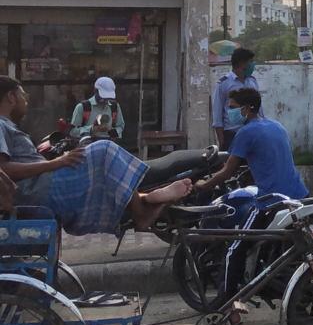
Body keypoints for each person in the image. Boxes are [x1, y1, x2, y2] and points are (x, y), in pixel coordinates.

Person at [0, 76, 191, 235]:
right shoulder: (1, 124)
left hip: (44, 185)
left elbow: (120, 127)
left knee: (106, 168)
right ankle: (141, 211)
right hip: (40, 191)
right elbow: (4, 168)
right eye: (23, 95)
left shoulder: (114, 107)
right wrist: (57, 163)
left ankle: (143, 199)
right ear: (11, 97)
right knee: (104, 151)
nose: (26, 100)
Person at [196, 88, 307, 199]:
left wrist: (204, 185)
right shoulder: (277, 125)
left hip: (274, 199)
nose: (229, 112)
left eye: (232, 108)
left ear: (246, 109)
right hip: (300, 193)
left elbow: (228, 172)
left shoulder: (246, 132)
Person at [212, 48, 260, 149]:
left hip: (253, 131)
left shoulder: (252, 81)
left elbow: (259, 108)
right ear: (242, 63)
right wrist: (221, 140)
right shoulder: (224, 83)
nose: (253, 65)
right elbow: (217, 114)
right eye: (250, 61)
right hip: (232, 133)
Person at [69, 76, 125, 141]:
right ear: (95, 91)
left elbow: (120, 126)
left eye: (107, 98)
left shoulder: (114, 106)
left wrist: (114, 131)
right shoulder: (82, 107)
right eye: (102, 97)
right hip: (88, 144)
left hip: (109, 143)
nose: (105, 100)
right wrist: (91, 129)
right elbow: (72, 131)